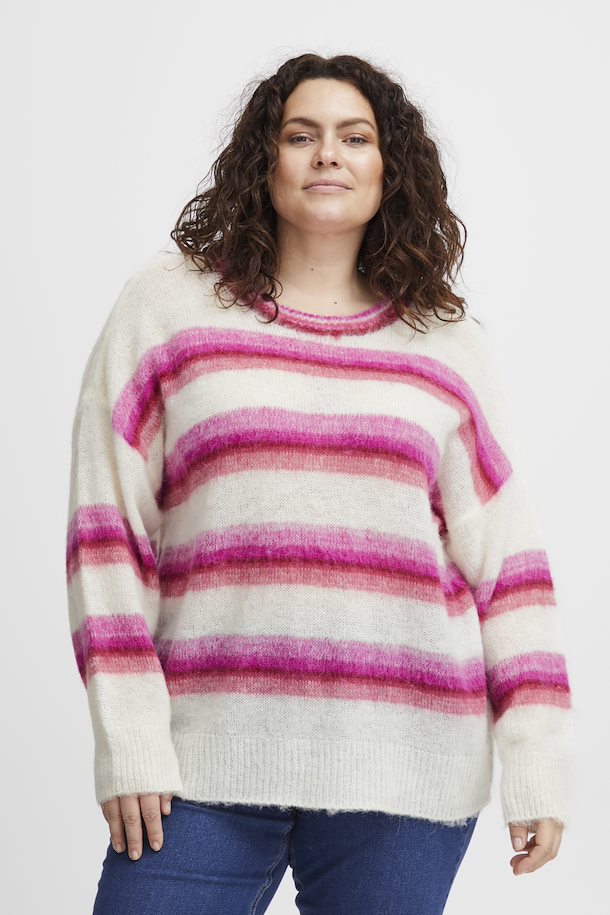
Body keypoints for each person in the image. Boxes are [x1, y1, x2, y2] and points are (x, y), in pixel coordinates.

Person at [65, 53, 575, 914]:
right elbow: (106, 530)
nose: (328, 153)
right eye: (301, 135)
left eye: (354, 137)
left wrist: (537, 758)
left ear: (389, 168)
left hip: (407, 769)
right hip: (202, 758)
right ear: (264, 161)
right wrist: (130, 738)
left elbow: (509, 564)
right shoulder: (167, 309)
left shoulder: (447, 346)